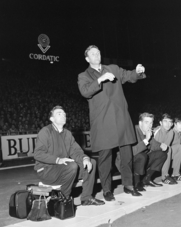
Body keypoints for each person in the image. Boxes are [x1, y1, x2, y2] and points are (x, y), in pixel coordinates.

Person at [78, 45, 146, 200]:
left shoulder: (113, 68)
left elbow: (129, 76)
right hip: (102, 122)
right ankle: (107, 190)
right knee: (105, 159)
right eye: (92, 54)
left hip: (121, 118)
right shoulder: (84, 76)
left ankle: (129, 185)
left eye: (98, 53)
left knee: (127, 155)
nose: (97, 55)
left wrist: (137, 72)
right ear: (87, 59)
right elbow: (85, 91)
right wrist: (100, 79)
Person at [34, 106, 105, 206]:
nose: (63, 115)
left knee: (91, 163)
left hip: (62, 170)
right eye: (59, 114)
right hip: (46, 171)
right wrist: (58, 160)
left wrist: (85, 158)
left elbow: (76, 151)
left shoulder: (67, 134)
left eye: (64, 114)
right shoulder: (45, 131)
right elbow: (38, 153)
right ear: (52, 119)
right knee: (72, 166)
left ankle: (86, 198)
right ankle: (64, 199)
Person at [132, 113, 167, 190]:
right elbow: (132, 152)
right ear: (140, 123)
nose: (149, 125)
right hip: (130, 162)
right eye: (146, 122)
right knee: (141, 156)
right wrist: (146, 139)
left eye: (151, 123)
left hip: (142, 160)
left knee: (161, 154)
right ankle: (136, 183)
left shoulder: (147, 131)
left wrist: (161, 145)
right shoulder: (132, 131)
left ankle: (146, 179)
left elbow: (154, 145)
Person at [154, 114, 181, 184]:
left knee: (179, 147)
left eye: (170, 122)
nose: (168, 124)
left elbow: (166, 146)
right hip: (153, 153)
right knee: (168, 149)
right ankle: (164, 177)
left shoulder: (171, 132)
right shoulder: (157, 131)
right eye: (165, 121)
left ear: (172, 124)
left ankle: (176, 174)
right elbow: (153, 147)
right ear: (160, 122)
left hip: (162, 153)